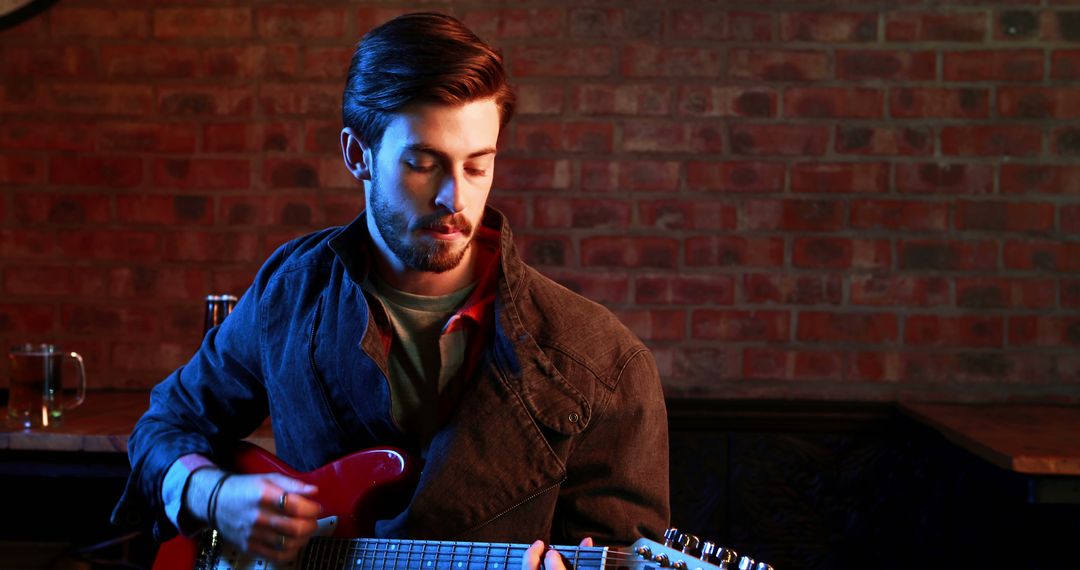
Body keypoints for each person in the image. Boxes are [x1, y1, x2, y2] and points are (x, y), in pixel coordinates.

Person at [112, 12, 669, 569]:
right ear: (358, 155)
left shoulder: (604, 362)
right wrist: (213, 495)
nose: (454, 198)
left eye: (478, 167)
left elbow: (622, 553)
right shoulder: (291, 289)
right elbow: (168, 424)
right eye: (423, 164)